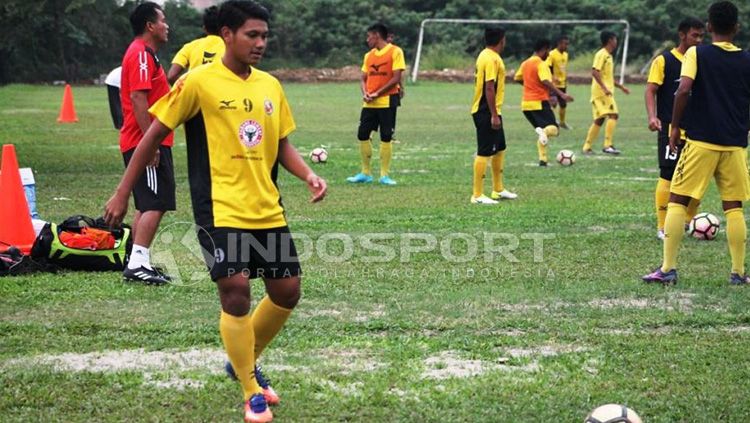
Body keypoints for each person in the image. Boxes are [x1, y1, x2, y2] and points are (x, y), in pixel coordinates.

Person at [103, 1, 327, 421]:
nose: (260, 43)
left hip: (267, 208)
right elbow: (151, 136)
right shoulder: (197, 83)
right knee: (236, 291)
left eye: (264, 36)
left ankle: (241, 358)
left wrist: (308, 176)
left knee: (287, 291)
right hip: (219, 209)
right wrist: (122, 193)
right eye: (252, 35)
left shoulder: (270, 86)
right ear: (227, 34)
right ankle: (250, 389)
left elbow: (281, 144)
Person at [643, 1, 750, 286]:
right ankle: (738, 273)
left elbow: (684, 89)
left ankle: (668, 269)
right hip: (735, 144)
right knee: (734, 206)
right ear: (737, 28)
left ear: (710, 26)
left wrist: (675, 126)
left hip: (701, 140)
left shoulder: (697, 53)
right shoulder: (747, 59)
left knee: (677, 199)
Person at [119, 1, 173, 285]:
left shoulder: (146, 55)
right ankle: (138, 263)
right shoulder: (140, 54)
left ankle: (137, 261)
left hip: (146, 139)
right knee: (156, 201)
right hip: (145, 140)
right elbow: (139, 99)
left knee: (147, 202)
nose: (167, 26)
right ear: (150, 25)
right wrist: (149, 143)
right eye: (163, 20)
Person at [645, 18, 705, 240]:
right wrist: (653, 116)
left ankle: (689, 221)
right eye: (694, 36)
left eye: (701, 36)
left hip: (699, 129)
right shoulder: (665, 60)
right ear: (682, 35)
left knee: (697, 177)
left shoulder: (703, 59)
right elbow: (651, 90)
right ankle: (663, 226)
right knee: (668, 174)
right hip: (671, 127)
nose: (698, 40)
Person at [347, 23, 405, 186]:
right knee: (362, 134)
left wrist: (377, 93)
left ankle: (384, 175)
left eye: (368, 36)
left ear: (377, 35)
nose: (367, 40)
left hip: (387, 100)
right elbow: (363, 78)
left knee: (386, 136)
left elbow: (396, 78)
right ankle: (365, 173)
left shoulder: (396, 52)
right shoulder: (368, 56)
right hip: (369, 103)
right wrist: (365, 93)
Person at [470, 27, 517, 204]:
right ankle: (477, 195)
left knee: (500, 148)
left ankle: (498, 189)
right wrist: (494, 115)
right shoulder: (490, 58)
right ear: (501, 40)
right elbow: (489, 87)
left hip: (492, 110)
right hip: (486, 111)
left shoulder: (488, 55)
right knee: (484, 151)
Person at [514, 39, 574, 167]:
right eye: (548, 51)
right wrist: (561, 94)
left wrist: (529, 85)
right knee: (554, 130)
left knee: (542, 131)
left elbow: (517, 78)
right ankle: (544, 133)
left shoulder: (525, 63)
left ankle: (543, 160)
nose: (549, 54)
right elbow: (546, 80)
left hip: (526, 105)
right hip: (539, 102)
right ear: (545, 49)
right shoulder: (541, 64)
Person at [582, 31, 630, 155]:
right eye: (615, 39)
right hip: (602, 93)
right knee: (614, 115)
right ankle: (608, 145)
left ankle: (587, 147)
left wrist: (621, 87)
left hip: (603, 92)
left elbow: (607, 76)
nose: (616, 42)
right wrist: (604, 88)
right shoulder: (601, 54)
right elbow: (595, 72)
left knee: (599, 120)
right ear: (610, 40)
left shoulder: (608, 56)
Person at [167, 5, 224, 84]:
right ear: (224, 28)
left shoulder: (190, 46)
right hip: (221, 95)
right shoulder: (232, 47)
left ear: (205, 29)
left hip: (194, 95)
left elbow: (171, 76)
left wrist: (189, 86)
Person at [547, 35, 571, 129]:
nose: (566, 46)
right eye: (565, 44)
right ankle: (550, 121)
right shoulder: (552, 54)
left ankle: (562, 122)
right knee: (553, 103)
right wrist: (552, 77)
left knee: (563, 104)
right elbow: (548, 67)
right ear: (559, 43)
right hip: (553, 84)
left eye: (567, 44)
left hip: (563, 83)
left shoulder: (566, 55)